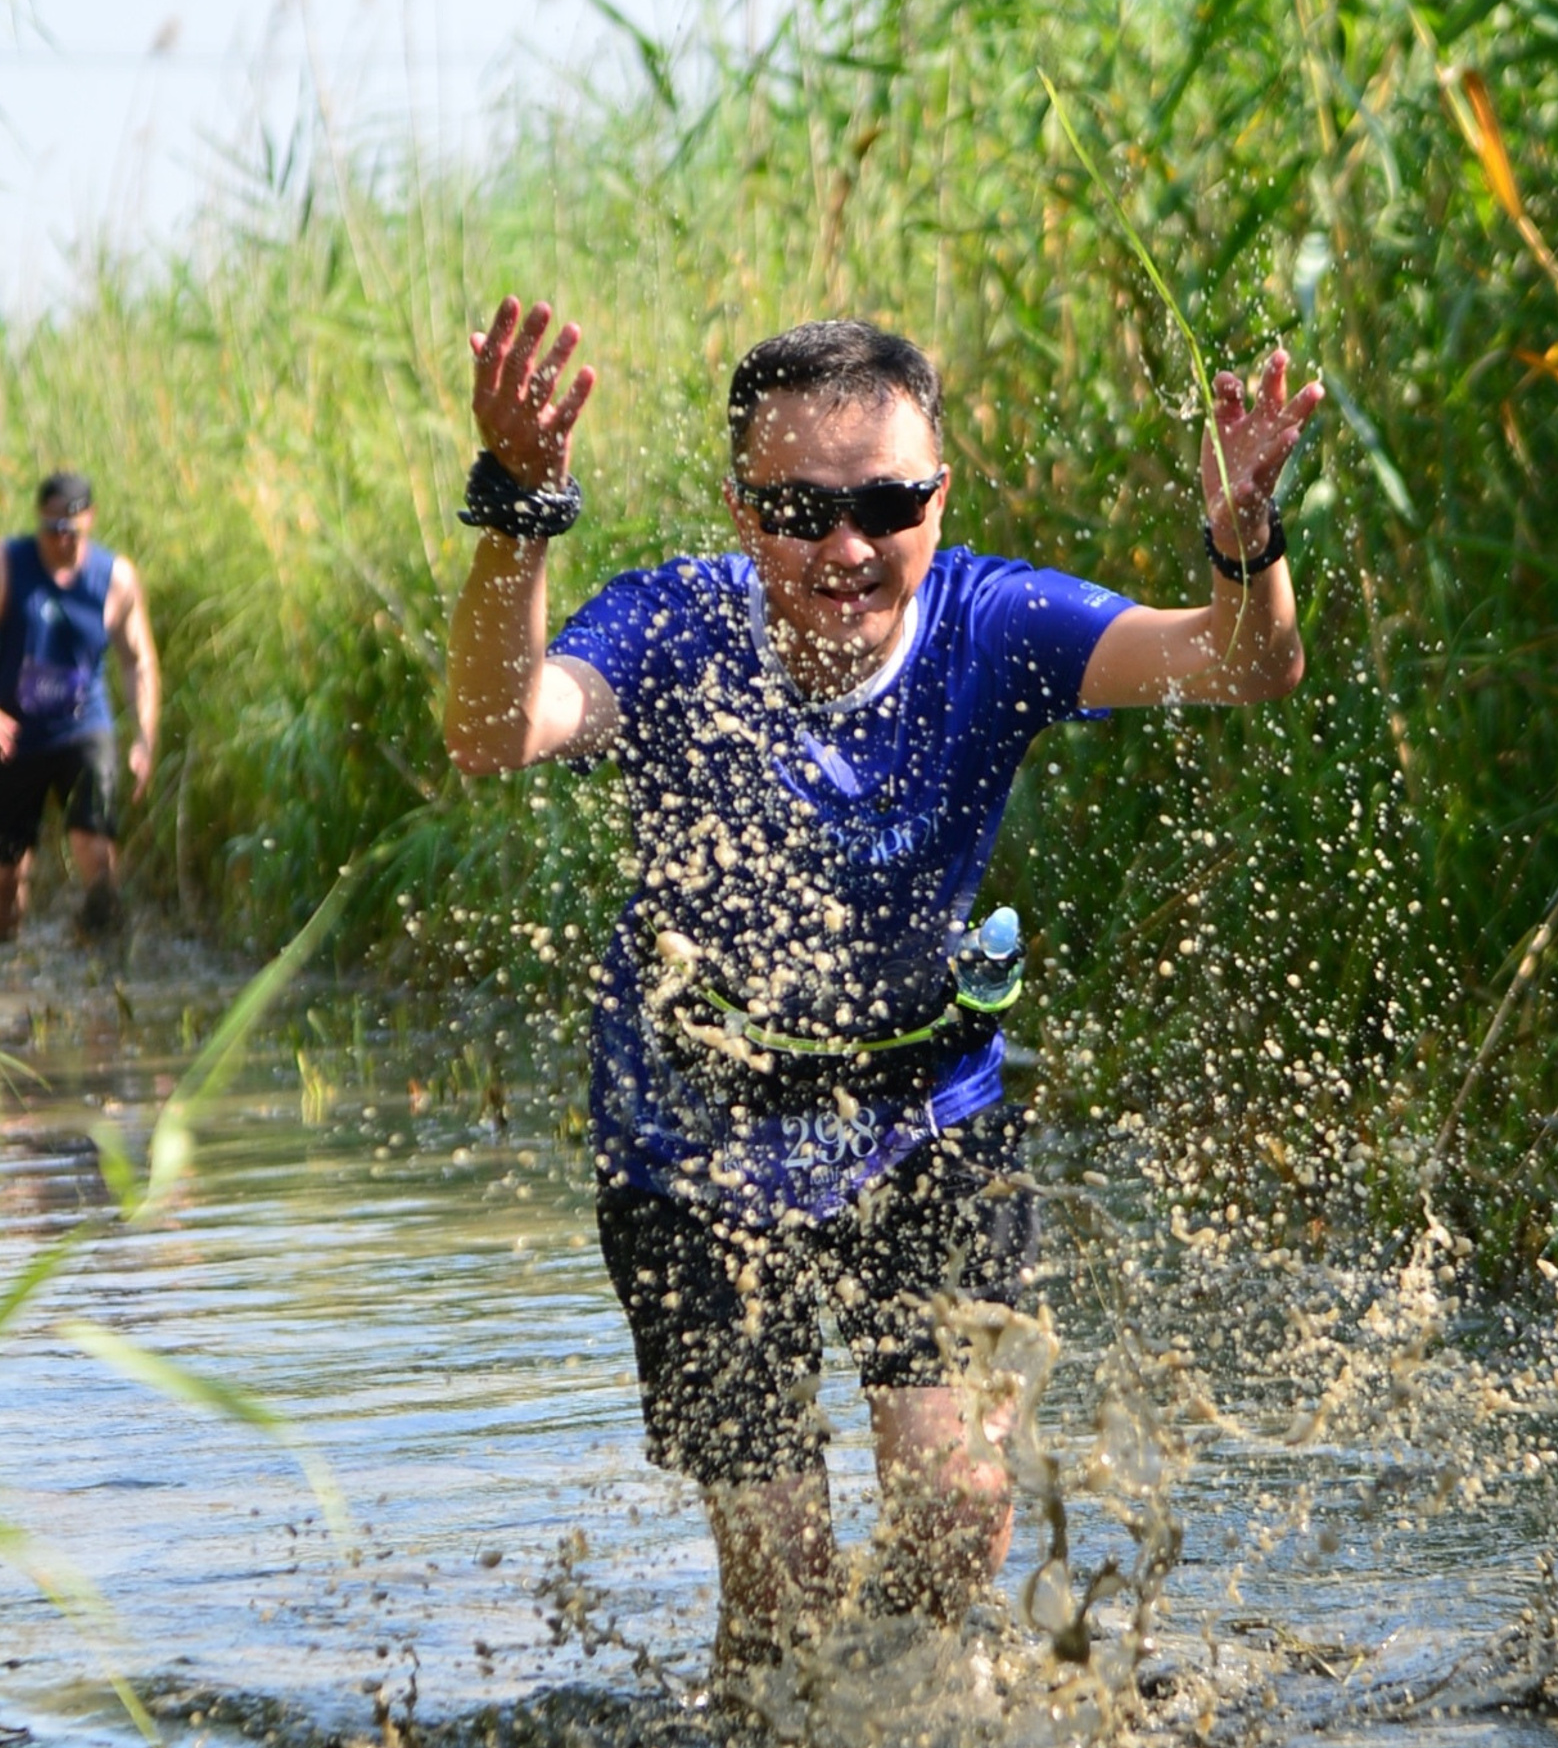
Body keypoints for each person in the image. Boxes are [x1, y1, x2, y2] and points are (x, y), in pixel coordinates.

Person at [441, 303, 1320, 1677]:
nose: (847, 550)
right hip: (691, 1140)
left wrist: (1243, 543)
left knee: (959, 1518)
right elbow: (495, 730)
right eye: (800, 509)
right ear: (744, 511)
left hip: (924, 1111)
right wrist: (521, 512)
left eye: (885, 504)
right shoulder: (674, 628)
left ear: (938, 497)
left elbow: (1247, 662)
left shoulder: (996, 622)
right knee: (785, 1572)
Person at [0, 470, 160, 943]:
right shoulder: (3, 564)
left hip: (84, 728)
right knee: (5, 881)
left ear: (90, 521)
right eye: (51, 528)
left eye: (71, 529)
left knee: (95, 846)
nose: (60, 539)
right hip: (11, 736)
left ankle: (103, 964)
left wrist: (145, 736)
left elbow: (137, 661)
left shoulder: (116, 578)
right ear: (39, 521)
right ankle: (4, 968)